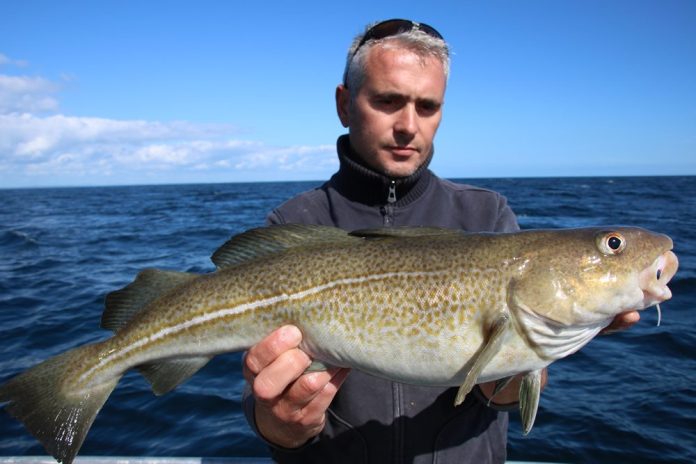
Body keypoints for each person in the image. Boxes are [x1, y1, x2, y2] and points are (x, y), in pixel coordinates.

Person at [241, 19, 639, 463]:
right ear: (345, 104)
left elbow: (503, 394)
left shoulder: (486, 216)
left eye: (427, 106)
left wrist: (538, 351)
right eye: (388, 101)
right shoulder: (293, 223)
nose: (408, 125)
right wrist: (278, 424)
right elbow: (263, 400)